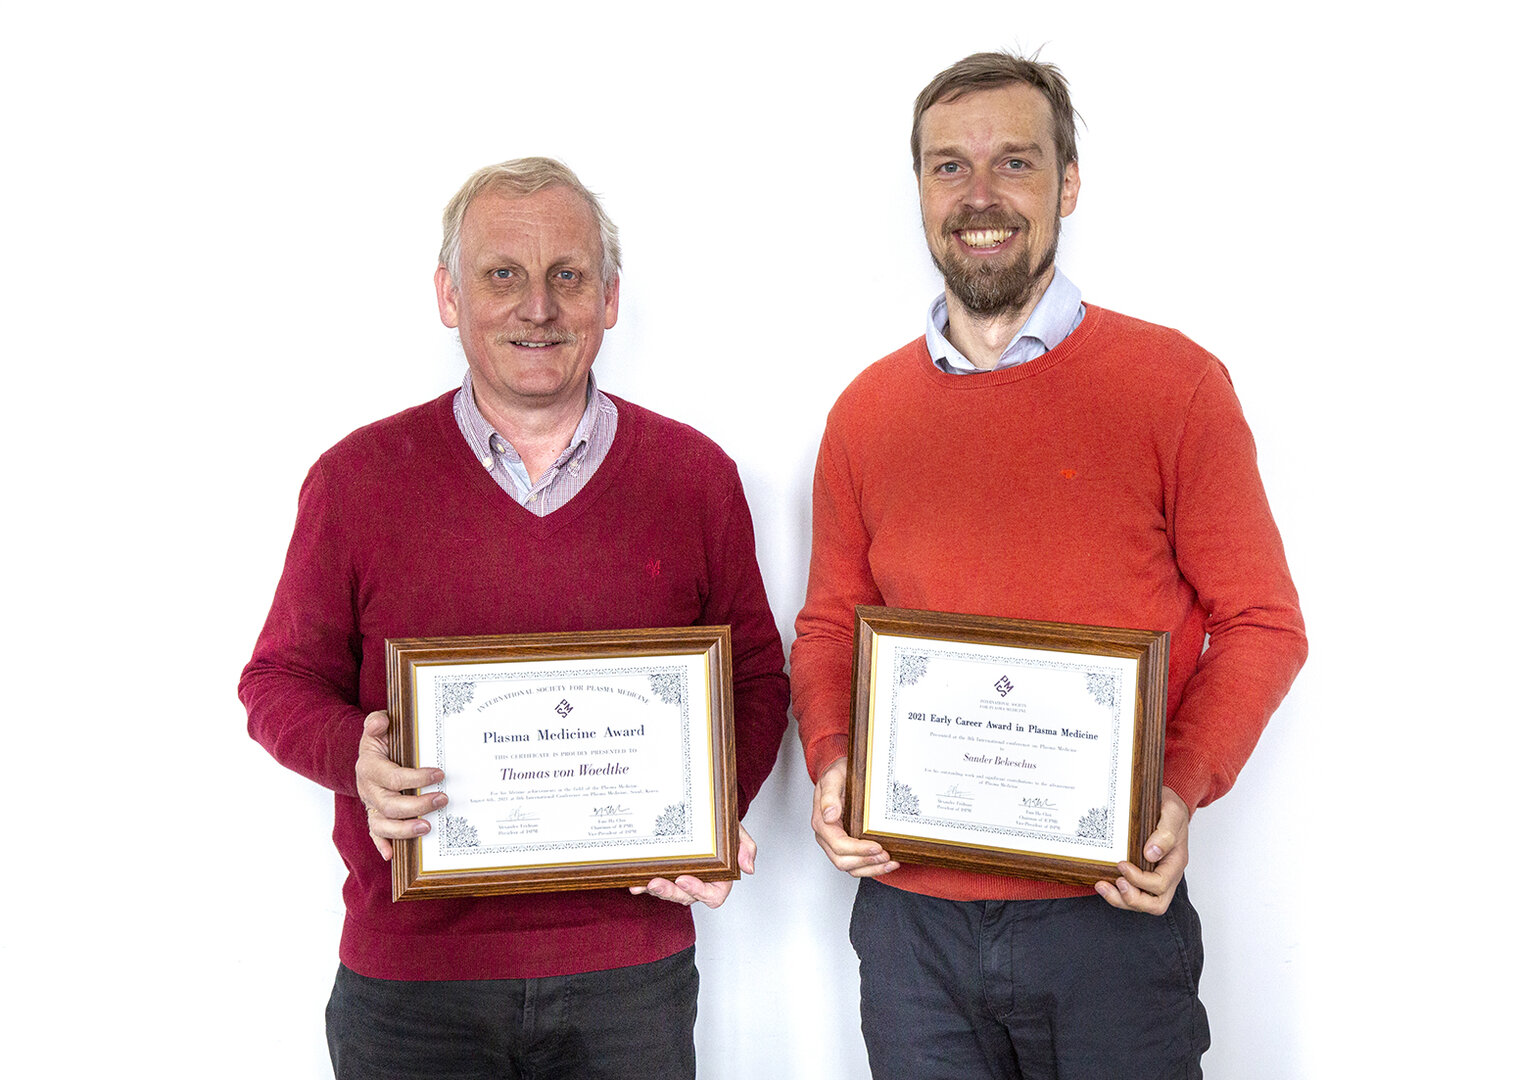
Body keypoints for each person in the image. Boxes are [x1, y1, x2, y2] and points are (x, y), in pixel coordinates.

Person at [790, 52, 1307, 1079]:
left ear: (1068, 184)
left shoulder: (1175, 386)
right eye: (949, 166)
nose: (979, 195)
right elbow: (828, 628)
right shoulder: (865, 414)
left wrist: (1178, 788)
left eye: (1014, 162)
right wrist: (835, 759)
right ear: (920, 191)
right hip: (910, 925)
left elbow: (1263, 622)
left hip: (1107, 913)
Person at [240, 157, 789, 1080]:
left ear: (609, 300)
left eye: (567, 275)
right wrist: (354, 757)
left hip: (628, 977)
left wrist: (712, 808)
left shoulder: (694, 478)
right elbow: (276, 682)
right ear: (450, 296)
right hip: (412, 983)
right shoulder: (356, 480)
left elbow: (757, 678)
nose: (538, 306)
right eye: (503, 274)